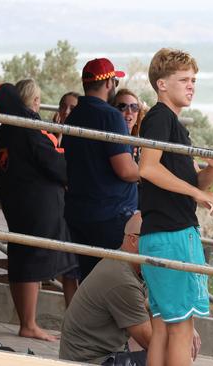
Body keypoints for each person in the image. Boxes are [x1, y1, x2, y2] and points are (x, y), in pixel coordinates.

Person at [138, 48, 213, 366]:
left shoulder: (172, 124)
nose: (191, 85)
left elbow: (196, 185)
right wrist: (196, 193)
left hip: (163, 234)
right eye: (184, 79)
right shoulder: (160, 117)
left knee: (163, 328)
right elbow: (148, 168)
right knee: (181, 330)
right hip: (172, 235)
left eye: (194, 80)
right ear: (162, 84)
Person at [0, 81, 79, 341]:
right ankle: (29, 324)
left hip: (15, 200)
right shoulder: (30, 128)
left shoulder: (4, 131)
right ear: (34, 101)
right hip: (38, 203)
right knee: (34, 257)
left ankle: (25, 321)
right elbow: (52, 163)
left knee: (21, 255)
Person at [59, 212, 201, 365]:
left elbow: (158, 302)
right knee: (165, 355)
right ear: (133, 240)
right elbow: (151, 341)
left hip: (104, 353)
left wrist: (182, 322)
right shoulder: (121, 278)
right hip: (89, 361)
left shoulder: (138, 267)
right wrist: (181, 332)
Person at [62, 58, 139, 281]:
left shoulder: (75, 115)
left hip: (79, 213)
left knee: (89, 283)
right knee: (117, 285)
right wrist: (149, 171)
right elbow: (125, 169)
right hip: (111, 215)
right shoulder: (111, 116)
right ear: (108, 84)